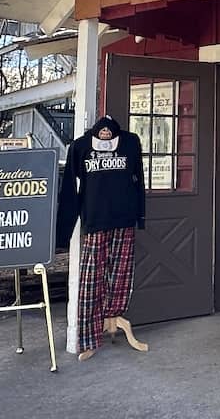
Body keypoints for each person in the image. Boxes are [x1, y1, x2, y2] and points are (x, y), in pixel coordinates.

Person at [56, 115, 146, 361]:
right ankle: (89, 338)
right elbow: (70, 189)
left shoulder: (130, 143)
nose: (105, 134)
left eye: (109, 132)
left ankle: (115, 317)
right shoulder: (80, 146)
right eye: (102, 132)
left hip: (124, 219)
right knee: (91, 281)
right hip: (94, 221)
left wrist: (140, 215)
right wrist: (64, 232)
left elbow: (138, 180)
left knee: (121, 276)